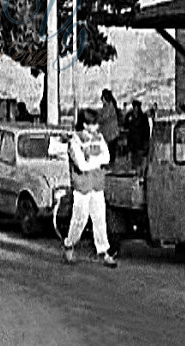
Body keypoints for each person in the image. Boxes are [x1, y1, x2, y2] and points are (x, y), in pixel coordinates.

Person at [62, 109, 116, 268]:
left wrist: (93, 160)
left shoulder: (99, 138)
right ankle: (70, 244)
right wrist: (97, 161)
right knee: (80, 218)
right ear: (85, 125)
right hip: (82, 185)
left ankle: (104, 251)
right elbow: (81, 164)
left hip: (97, 183)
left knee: (100, 219)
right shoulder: (75, 141)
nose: (97, 127)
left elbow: (107, 157)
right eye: (94, 124)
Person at [99, 89, 121, 163]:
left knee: (111, 151)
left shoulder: (110, 107)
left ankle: (111, 165)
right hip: (110, 133)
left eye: (103, 98)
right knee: (110, 150)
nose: (102, 100)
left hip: (111, 133)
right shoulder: (107, 106)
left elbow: (103, 118)